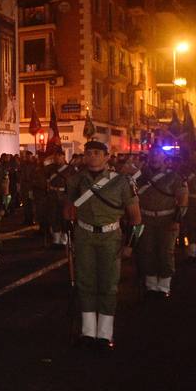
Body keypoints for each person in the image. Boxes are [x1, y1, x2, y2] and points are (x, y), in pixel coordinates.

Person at [64, 140, 142, 350]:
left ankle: (105, 334)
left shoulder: (122, 182)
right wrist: (68, 231)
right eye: (88, 153)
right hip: (84, 236)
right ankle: (88, 332)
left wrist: (130, 245)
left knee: (108, 286)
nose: (92, 156)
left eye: (97, 153)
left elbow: (136, 218)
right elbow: (68, 209)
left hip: (110, 237)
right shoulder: (76, 180)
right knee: (85, 283)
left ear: (107, 157)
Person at [134, 148, 188, 298]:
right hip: (145, 219)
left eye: (158, 156)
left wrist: (177, 220)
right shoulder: (140, 176)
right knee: (146, 251)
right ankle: (151, 284)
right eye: (152, 155)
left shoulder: (174, 177)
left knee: (165, 252)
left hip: (167, 220)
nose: (154, 158)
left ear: (165, 159)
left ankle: (164, 285)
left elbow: (183, 200)